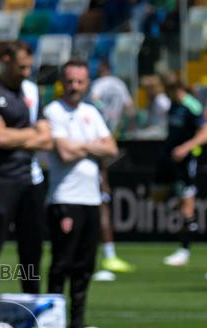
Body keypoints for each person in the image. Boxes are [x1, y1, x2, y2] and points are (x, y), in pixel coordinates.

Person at [0, 40, 53, 293]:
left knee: (32, 249)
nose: (26, 73)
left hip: (30, 179)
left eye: (29, 67)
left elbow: (47, 139)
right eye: (21, 67)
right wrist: (29, 136)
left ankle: (32, 306)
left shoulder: (31, 91)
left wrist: (10, 134)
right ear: (5, 60)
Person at [43, 60, 118, 328]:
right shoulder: (53, 111)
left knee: (85, 265)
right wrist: (93, 146)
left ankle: (76, 324)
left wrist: (81, 147)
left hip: (91, 199)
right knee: (62, 263)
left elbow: (111, 148)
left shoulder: (91, 112)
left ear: (87, 84)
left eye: (80, 82)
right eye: (70, 81)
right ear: (62, 82)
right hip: (64, 198)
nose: (75, 87)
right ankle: (52, 323)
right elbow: (63, 153)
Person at [157, 71, 207, 267]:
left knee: (187, 207)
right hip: (169, 159)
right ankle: (183, 218)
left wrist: (185, 148)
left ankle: (184, 251)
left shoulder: (192, 105)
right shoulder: (173, 105)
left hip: (186, 161)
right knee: (156, 195)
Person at [88, 59, 135, 274]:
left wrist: (102, 114)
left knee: (100, 204)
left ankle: (107, 255)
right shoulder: (119, 84)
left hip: (100, 142)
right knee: (100, 205)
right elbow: (130, 107)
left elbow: (95, 100)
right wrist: (125, 126)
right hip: (108, 139)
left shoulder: (97, 87)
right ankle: (108, 255)